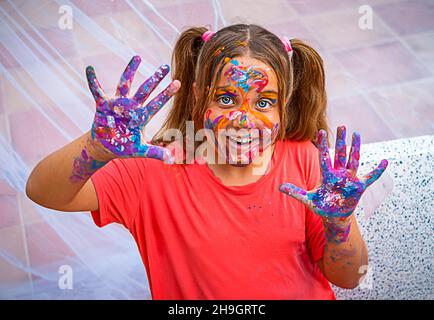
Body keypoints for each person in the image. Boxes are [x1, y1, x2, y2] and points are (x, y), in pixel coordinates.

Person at [25, 24, 388, 299]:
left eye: (263, 104)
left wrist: (339, 223)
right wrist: (96, 147)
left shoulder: (306, 163)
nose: (243, 121)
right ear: (199, 98)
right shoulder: (157, 166)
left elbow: (349, 278)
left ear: (284, 105)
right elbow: (43, 191)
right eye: (227, 99)